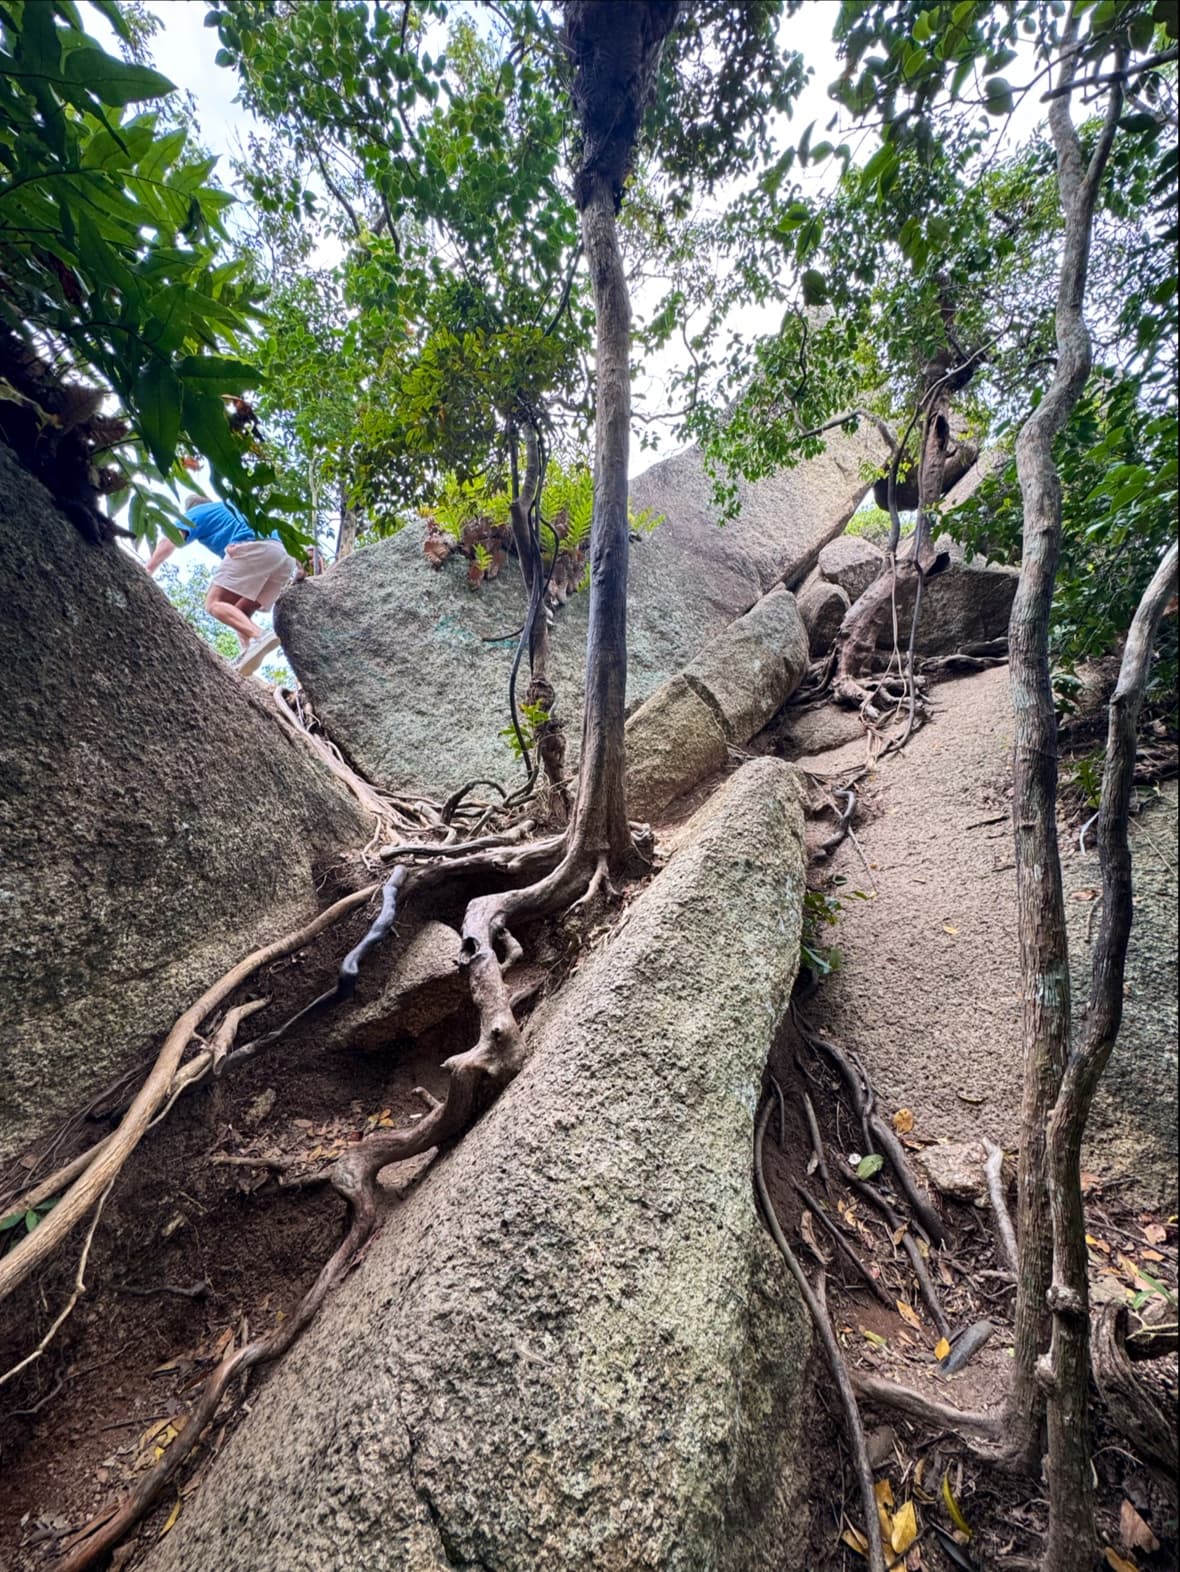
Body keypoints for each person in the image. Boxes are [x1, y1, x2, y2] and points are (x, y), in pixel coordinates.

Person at [144, 495, 301, 652]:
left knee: (214, 603)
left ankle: (259, 635)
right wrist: (302, 564)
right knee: (239, 611)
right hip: (284, 556)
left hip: (254, 547)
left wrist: (148, 569)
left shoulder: (199, 511)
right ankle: (248, 650)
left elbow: (172, 538)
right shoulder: (234, 508)